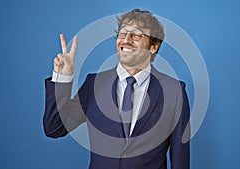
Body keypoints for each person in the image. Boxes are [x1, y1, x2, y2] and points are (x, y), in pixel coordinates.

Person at [43, 9, 190, 169]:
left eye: (136, 35)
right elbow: (54, 128)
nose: (126, 40)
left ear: (154, 46)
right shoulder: (93, 85)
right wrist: (63, 78)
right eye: (122, 34)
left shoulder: (174, 91)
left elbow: (179, 156)